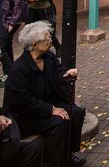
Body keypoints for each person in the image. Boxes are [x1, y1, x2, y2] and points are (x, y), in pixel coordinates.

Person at [3, 21, 86, 166]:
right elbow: (22, 102)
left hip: (47, 104)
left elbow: (58, 71)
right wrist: (52, 110)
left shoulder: (48, 57)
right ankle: (51, 162)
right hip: (26, 115)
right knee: (58, 122)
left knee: (76, 113)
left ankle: (68, 155)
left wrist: (66, 75)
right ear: (34, 44)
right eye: (46, 38)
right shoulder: (19, 69)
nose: (50, 40)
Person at [0, 0, 28, 88]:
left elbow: (19, 5)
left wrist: (12, 22)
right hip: (4, 19)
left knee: (2, 47)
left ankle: (8, 74)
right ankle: (11, 73)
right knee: (6, 46)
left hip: (8, 21)